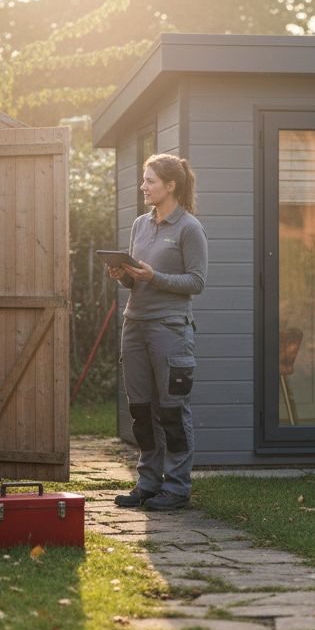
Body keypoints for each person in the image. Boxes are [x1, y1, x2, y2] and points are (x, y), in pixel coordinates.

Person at [107, 154, 207, 510]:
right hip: (134, 325)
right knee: (142, 410)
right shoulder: (140, 225)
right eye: (143, 180)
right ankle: (148, 483)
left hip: (170, 330)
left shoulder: (189, 228)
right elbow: (139, 280)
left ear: (170, 185)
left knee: (172, 411)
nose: (143, 187)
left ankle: (177, 487)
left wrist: (155, 277)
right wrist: (128, 276)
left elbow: (196, 282)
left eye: (149, 181)